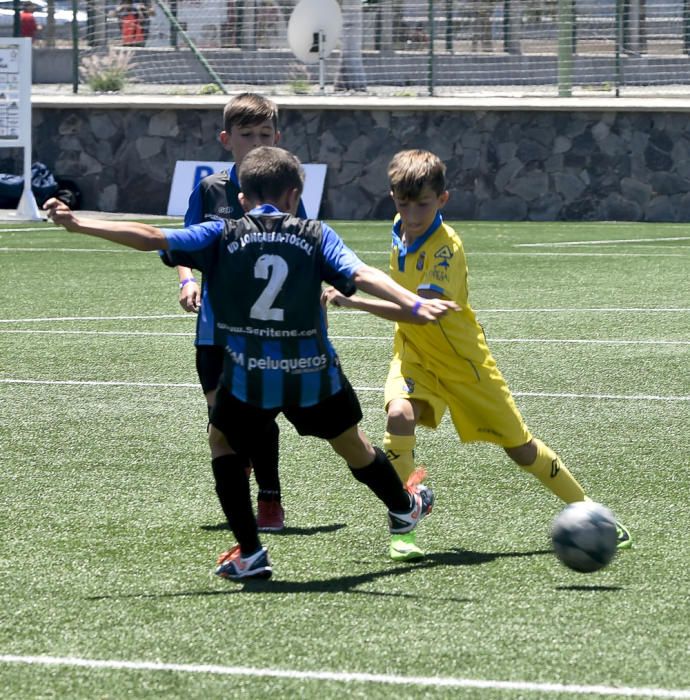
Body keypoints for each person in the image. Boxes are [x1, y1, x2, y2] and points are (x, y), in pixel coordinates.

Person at [43, 146, 458, 582]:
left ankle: (252, 552)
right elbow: (359, 274)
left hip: (251, 374)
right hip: (313, 373)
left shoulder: (221, 233)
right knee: (354, 444)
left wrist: (79, 223)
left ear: (242, 198)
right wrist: (411, 301)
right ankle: (404, 506)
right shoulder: (316, 234)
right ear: (294, 196)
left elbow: (153, 237)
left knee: (221, 441)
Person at [323, 149, 632, 562]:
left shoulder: (445, 250)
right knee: (399, 415)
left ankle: (590, 512)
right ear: (393, 198)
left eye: (423, 204)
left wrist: (353, 302)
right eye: (403, 203)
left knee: (520, 448)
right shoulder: (399, 225)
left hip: (464, 363)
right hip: (414, 354)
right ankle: (403, 522)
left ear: (443, 200)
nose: (412, 214)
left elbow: (417, 312)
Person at [177, 93, 307, 532]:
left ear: (278, 138)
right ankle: (245, 515)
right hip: (214, 327)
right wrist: (187, 281)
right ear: (226, 138)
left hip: (264, 329)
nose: (255, 142)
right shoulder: (211, 189)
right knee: (222, 422)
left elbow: (302, 244)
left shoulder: (283, 190)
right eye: (246, 135)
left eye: (264, 134)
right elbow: (184, 243)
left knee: (253, 416)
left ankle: (268, 502)